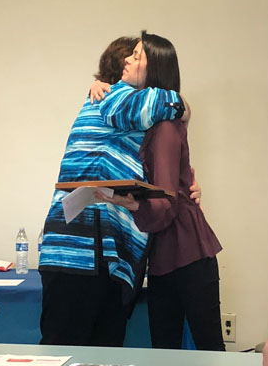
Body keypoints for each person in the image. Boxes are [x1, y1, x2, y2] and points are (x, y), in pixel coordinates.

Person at [38, 35, 188, 347]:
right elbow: (173, 103)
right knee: (65, 349)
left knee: (100, 351)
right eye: (129, 55)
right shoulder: (116, 97)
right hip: (81, 251)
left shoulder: (119, 102)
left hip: (98, 252)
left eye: (137, 56)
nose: (128, 62)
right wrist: (183, 104)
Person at [94, 30, 225, 351]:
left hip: (186, 252)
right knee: (169, 350)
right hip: (170, 254)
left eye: (137, 56)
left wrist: (129, 203)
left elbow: (164, 204)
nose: (128, 59)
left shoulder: (165, 127)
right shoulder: (154, 120)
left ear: (153, 70)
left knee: (203, 350)